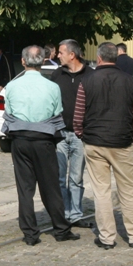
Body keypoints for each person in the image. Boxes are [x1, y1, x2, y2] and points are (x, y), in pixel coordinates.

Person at [1, 45, 78, 246]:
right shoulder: (52, 86)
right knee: (50, 186)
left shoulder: (11, 86)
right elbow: (57, 113)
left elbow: (8, 113)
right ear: (43, 61)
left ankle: (30, 234)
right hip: (43, 140)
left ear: (23, 61)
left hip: (20, 140)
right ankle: (61, 229)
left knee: (25, 189)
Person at [73, 42, 133, 249]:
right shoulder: (130, 81)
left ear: (98, 58)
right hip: (122, 142)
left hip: (95, 142)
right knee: (130, 190)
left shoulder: (87, 81)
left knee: (101, 192)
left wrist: (82, 135)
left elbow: (78, 116)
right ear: (116, 58)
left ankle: (107, 237)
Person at [50, 39, 93, 229]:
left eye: (60, 52)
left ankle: (75, 214)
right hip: (59, 133)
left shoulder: (91, 75)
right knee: (59, 177)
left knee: (76, 177)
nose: (57, 55)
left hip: (80, 135)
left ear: (72, 55)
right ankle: (62, 214)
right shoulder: (56, 74)